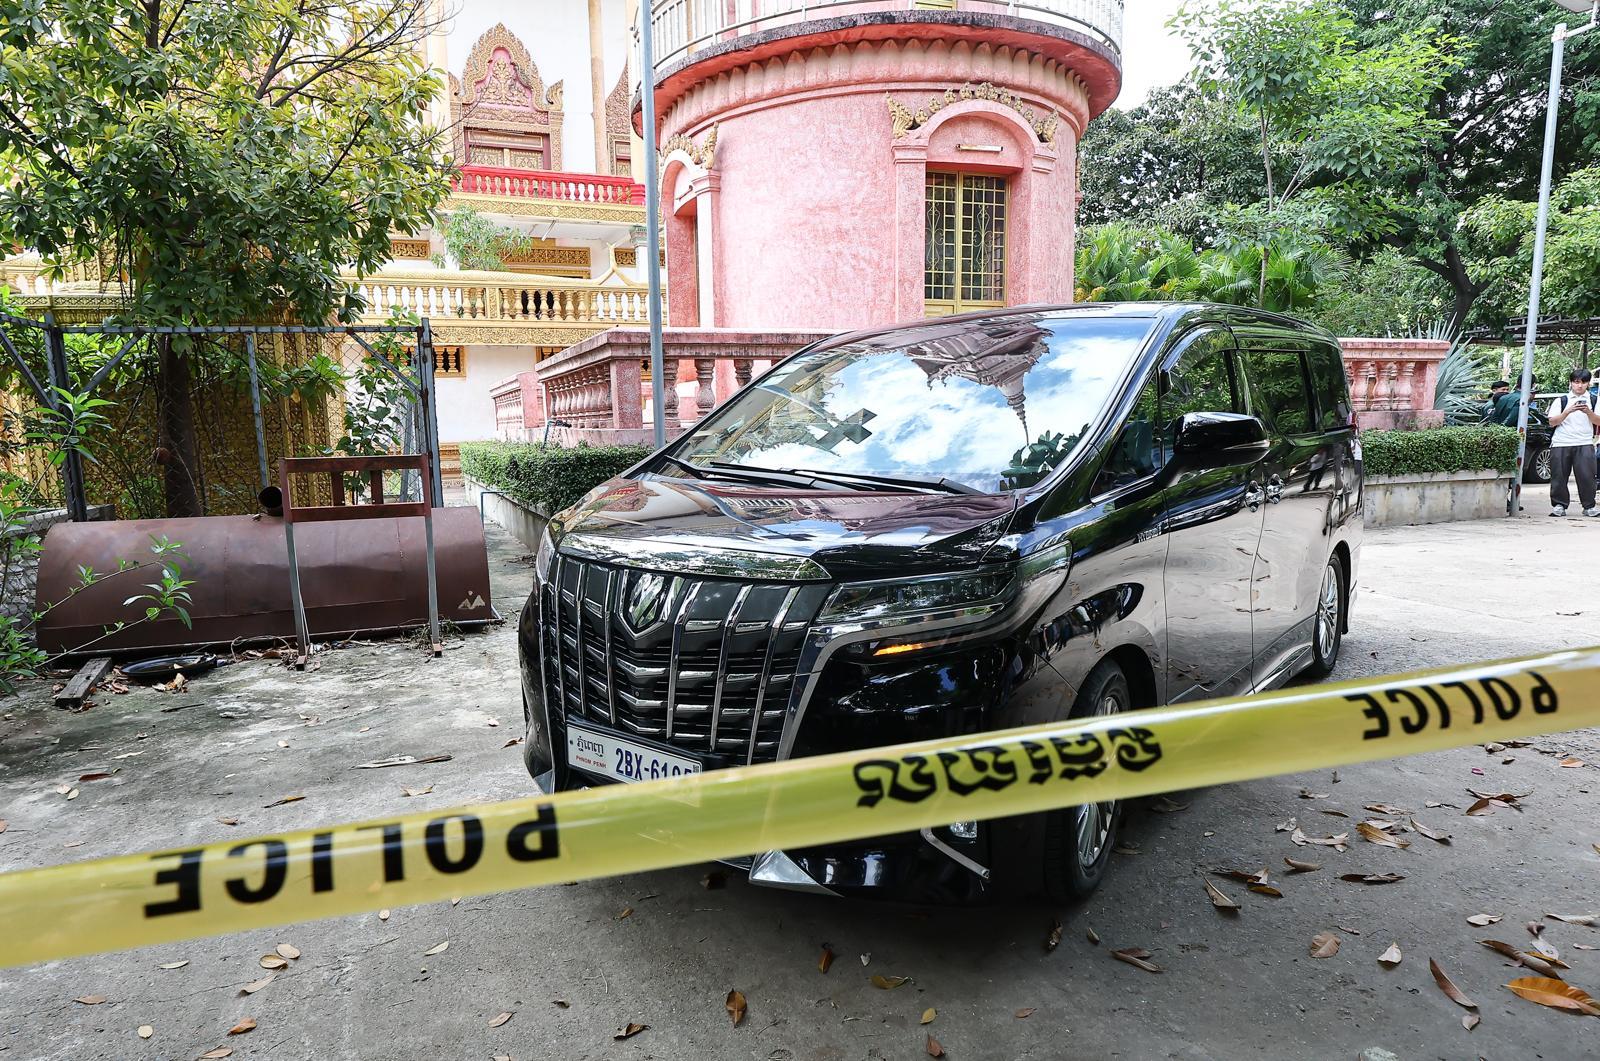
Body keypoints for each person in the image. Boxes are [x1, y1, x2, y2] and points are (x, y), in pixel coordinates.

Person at [1546, 369, 1600, 517]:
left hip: (1585, 442)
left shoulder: (1595, 400)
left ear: (1588, 383)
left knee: (1587, 476)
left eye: (1583, 382)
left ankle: (1589, 506)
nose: (1580, 386)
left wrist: (1588, 412)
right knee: (1559, 476)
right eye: (1576, 382)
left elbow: (1598, 421)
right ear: (1571, 383)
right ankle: (1559, 505)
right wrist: (1568, 411)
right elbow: (1552, 422)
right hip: (1561, 442)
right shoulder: (1561, 400)